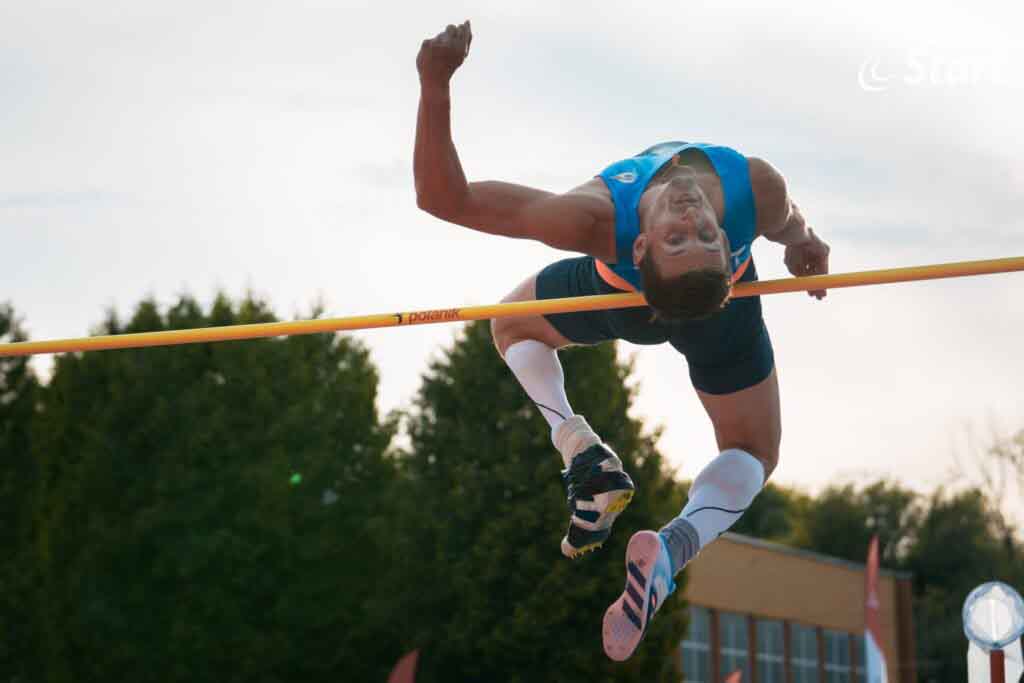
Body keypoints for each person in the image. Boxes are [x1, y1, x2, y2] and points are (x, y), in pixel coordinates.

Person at [414, 21, 831, 661]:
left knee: (511, 324)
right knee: (754, 452)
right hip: (688, 300)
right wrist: (803, 242)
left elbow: (447, 200)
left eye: (692, 238)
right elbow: (787, 218)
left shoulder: (601, 219)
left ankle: (586, 456)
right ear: (645, 246)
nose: (694, 222)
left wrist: (434, 82)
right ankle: (665, 529)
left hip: (662, 297)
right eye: (690, 236)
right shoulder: (747, 188)